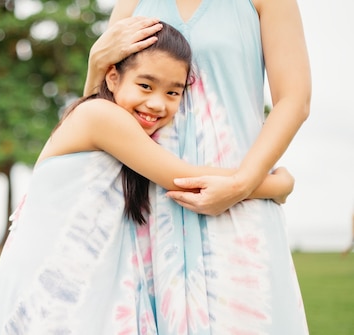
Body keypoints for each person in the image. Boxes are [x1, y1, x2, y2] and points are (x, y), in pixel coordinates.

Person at [0, 22, 294, 335]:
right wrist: (278, 185)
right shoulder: (100, 116)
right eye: (145, 86)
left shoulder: (108, 119)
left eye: (173, 92)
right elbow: (184, 178)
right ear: (113, 77)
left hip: (72, 272)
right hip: (49, 276)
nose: (158, 103)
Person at [84, 0, 311, 333]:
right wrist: (95, 62)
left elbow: (295, 99)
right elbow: (101, 107)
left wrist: (243, 185)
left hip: (237, 208)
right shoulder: (131, 3)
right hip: (145, 211)